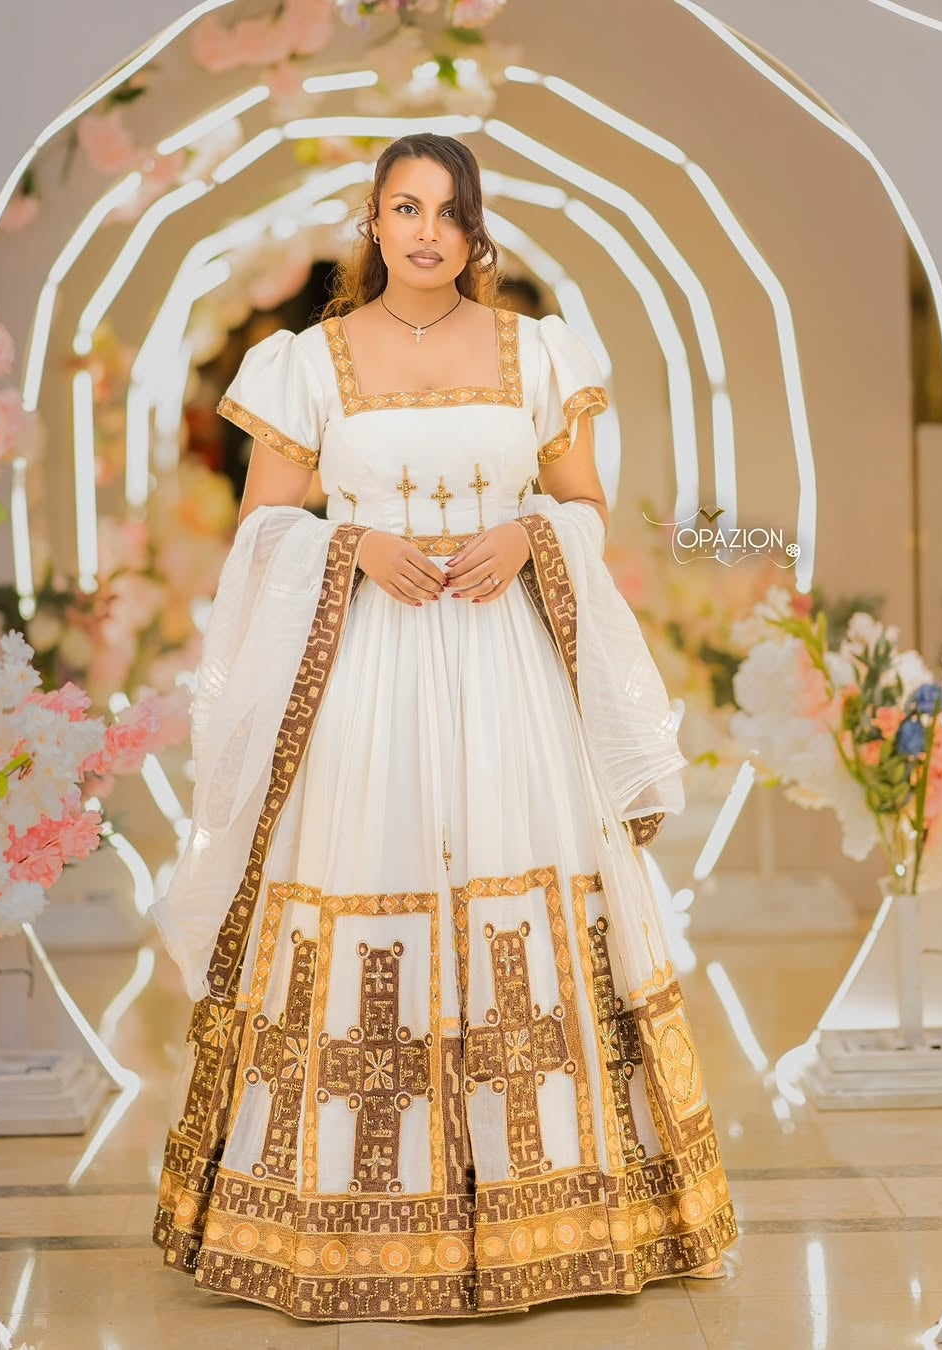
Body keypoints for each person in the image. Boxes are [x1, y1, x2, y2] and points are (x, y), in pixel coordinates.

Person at [150, 132, 737, 1321]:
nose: (427, 232)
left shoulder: (539, 351)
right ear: (372, 222)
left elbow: (584, 507)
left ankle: (562, 1210)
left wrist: (530, 534)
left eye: (449, 212)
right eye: (405, 208)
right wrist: (354, 546)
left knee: (526, 877)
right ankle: (347, 1220)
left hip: (506, 661)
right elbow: (262, 533)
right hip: (368, 669)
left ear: (477, 232)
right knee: (373, 876)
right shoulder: (306, 364)